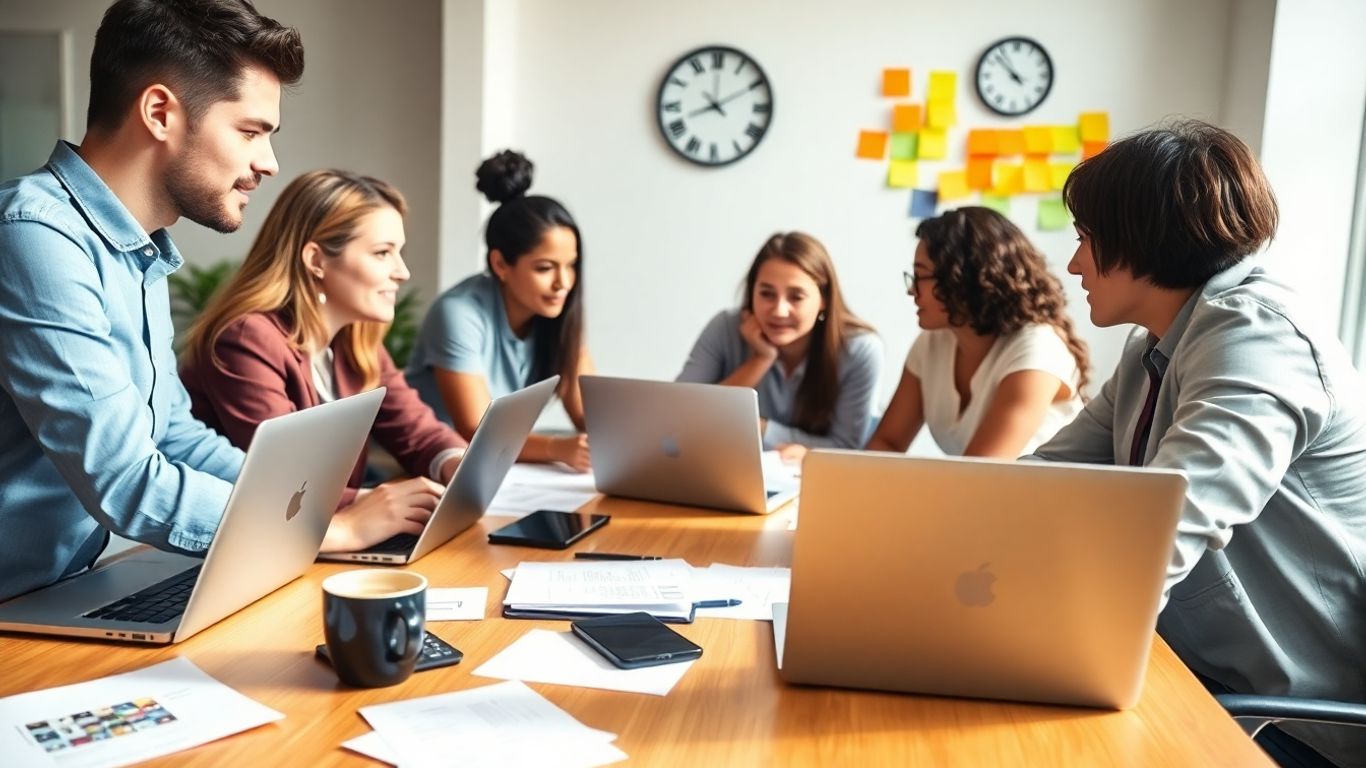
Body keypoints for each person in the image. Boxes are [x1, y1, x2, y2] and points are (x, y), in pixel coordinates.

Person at [1031, 120, 1366, 768]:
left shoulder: (1259, 335)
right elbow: (1042, 480)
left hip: (1292, 724)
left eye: (1084, 239)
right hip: (1199, 677)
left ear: (1139, 235)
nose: (1074, 265)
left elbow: (1180, 513)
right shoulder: (1151, 350)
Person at [0, 0, 303, 602]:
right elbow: (124, 479)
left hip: (69, 591)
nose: (268, 163)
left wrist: (307, 507)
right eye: (250, 132)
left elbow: (171, 433)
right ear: (160, 112)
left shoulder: (140, 250)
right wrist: (298, 530)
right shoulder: (32, 235)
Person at [181, 170, 467, 552]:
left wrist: (457, 463)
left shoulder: (356, 339)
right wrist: (372, 503)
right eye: (382, 253)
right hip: (230, 552)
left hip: (308, 543)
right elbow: (288, 482)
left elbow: (419, 432)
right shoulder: (247, 340)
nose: (402, 272)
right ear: (316, 259)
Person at [407, 150, 593, 472]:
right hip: (436, 467)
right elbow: (477, 430)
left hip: (501, 467)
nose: (563, 283)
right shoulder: (457, 313)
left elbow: (591, 418)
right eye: (545, 268)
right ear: (500, 264)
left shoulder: (555, 316)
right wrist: (557, 447)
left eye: (571, 266)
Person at [865, 207, 1089, 458]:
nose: (911, 290)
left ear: (962, 278)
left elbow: (983, 469)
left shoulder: (1038, 350)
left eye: (920, 276)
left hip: (1031, 486)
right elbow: (887, 443)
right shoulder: (932, 343)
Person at [676, 232, 881, 457]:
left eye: (796, 297)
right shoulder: (725, 327)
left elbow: (846, 448)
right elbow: (680, 419)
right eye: (767, 294)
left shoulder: (859, 350)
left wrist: (761, 429)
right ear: (752, 293)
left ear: (824, 299)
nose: (779, 311)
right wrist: (761, 359)